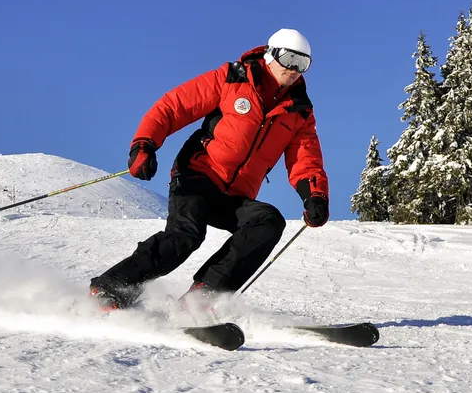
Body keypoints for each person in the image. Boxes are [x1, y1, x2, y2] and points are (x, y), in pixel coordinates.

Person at [89, 28, 330, 311]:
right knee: (185, 235)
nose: (293, 70)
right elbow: (174, 106)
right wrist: (144, 144)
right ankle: (111, 288)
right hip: (198, 175)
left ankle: (203, 297)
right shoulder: (232, 78)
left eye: (303, 64)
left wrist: (315, 195)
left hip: (236, 194)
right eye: (289, 59)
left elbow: (306, 158)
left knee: (268, 221)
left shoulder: (299, 110)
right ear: (270, 54)